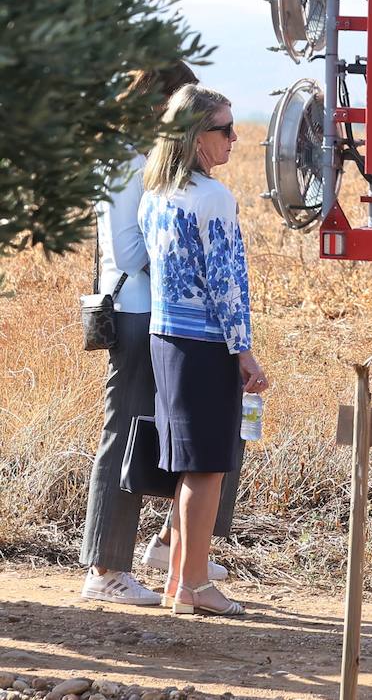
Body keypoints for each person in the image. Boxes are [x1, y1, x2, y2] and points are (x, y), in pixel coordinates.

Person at [80, 64, 239, 606]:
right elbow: (127, 253)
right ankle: (105, 567)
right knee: (125, 435)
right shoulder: (131, 165)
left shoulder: (156, 168)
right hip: (136, 311)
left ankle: (173, 548)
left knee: (190, 438)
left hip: (164, 313)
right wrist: (182, 241)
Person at [141, 85, 268, 618]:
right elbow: (226, 283)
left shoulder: (156, 194)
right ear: (196, 137)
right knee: (208, 468)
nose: (236, 138)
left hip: (164, 337)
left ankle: (179, 583)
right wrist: (245, 351)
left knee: (186, 466)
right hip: (205, 343)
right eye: (224, 128)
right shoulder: (212, 197)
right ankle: (195, 584)